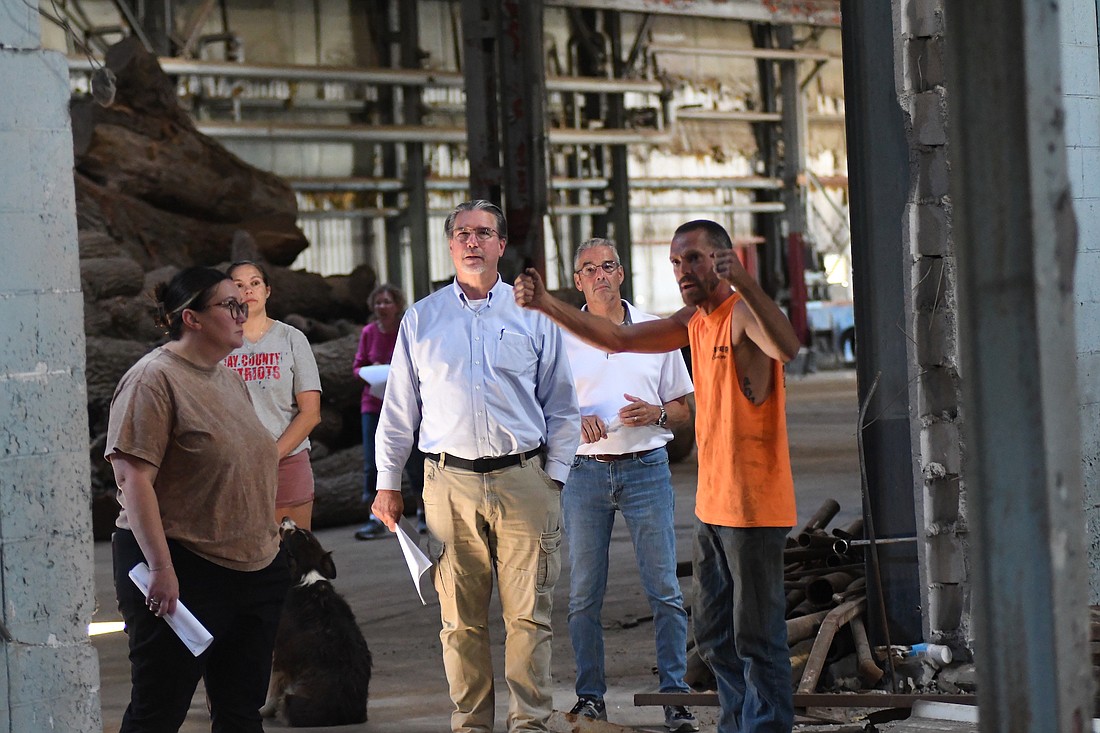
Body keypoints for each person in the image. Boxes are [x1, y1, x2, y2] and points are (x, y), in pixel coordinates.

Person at [515, 220, 801, 733]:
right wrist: (545, 306)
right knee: (714, 636)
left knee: (757, 637)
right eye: (675, 262)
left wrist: (747, 283)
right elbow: (619, 339)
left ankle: (767, 727)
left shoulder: (740, 313)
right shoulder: (694, 319)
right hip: (712, 504)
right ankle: (737, 724)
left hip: (754, 505)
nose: (682, 270)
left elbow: (787, 347)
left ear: (720, 260)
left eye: (693, 259)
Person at [372, 200, 580, 733]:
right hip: (448, 484)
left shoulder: (533, 313)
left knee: (529, 615)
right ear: (449, 244)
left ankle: (528, 722)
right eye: (462, 233)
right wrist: (388, 483)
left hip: (523, 479)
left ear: (500, 246)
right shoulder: (422, 318)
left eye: (483, 233)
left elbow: (561, 403)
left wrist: (551, 478)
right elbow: (399, 411)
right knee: (459, 621)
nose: (472, 242)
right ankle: (471, 725)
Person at [106, 266, 290, 732]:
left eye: (243, 302)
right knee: (159, 711)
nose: (242, 311)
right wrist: (162, 571)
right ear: (191, 319)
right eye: (229, 304)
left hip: (251, 568)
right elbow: (134, 479)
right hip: (181, 567)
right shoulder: (153, 380)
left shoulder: (227, 378)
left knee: (240, 711)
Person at [560, 238, 699, 732]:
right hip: (585, 473)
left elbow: (685, 409)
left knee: (663, 589)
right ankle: (590, 696)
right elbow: (540, 410)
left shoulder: (655, 331)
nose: (599, 274)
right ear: (578, 281)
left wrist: (656, 412)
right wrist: (575, 423)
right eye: (589, 269)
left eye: (608, 266)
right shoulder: (559, 336)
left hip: (647, 468)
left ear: (621, 273)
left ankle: (675, 697)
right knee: (583, 594)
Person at [224, 260, 322, 529]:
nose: (248, 291)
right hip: (234, 463)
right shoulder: (218, 344)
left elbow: (311, 413)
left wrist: (271, 456)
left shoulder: (292, 339)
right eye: (239, 285)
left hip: (287, 460)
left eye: (255, 283)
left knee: (294, 555)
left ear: (267, 290)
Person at [351, 283, 425, 539]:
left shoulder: (406, 329)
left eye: (387, 302)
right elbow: (357, 366)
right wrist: (371, 372)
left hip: (406, 405)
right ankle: (374, 516)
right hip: (373, 404)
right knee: (372, 463)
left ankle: (422, 512)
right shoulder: (369, 332)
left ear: (397, 305)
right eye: (378, 302)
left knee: (416, 461)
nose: (382, 306)